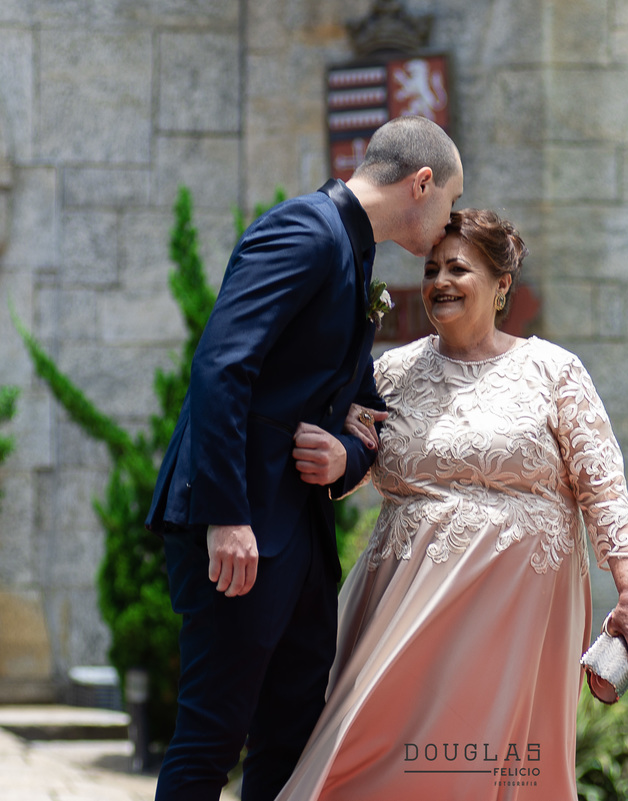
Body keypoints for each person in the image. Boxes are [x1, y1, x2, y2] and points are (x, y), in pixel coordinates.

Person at [274, 209, 628, 800]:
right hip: (405, 609)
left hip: (518, 614)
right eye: (431, 269)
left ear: (502, 284)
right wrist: (337, 460)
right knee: (379, 759)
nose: (439, 281)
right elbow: (355, 466)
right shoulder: (393, 373)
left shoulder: (553, 371)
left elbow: (604, 489)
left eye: (458, 267)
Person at [145, 116, 463, 801]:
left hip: (301, 538)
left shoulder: (358, 258)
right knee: (211, 736)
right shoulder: (304, 230)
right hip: (241, 527)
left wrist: (343, 452)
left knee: (292, 737)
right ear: (422, 182)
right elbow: (221, 367)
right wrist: (227, 516)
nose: (449, 221)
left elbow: (366, 413)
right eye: (449, 203)